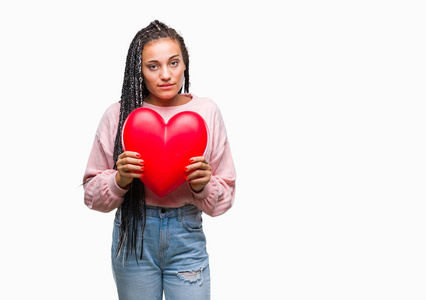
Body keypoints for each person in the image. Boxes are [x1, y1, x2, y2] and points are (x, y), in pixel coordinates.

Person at [83, 20, 236, 300]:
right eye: (153, 66)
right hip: (134, 235)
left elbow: (225, 198)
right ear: (139, 71)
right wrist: (120, 180)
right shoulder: (120, 114)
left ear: (185, 64)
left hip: (186, 235)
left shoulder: (207, 111)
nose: (166, 75)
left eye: (174, 63)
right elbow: (91, 196)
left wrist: (203, 186)